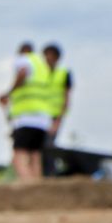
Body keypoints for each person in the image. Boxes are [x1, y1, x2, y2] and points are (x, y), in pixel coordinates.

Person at [0, 42, 56, 183]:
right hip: (43, 118)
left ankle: (28, 188)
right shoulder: (43, 66)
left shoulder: (25, 59)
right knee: (35, 155)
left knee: (19, 155)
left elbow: (23, 72)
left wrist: (9, 93)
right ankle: (38, 188)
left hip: (27, 117)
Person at [39, 43, 72, 178]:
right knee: (38, 146)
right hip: (39, 115)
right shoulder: (39, 74)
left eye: (51, 56)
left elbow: (66, 98)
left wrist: (58, 120)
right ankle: (41, 175)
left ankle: (50, 174)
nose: (48, 59)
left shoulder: (64, 74)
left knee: (49, 145)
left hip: (54, 116)